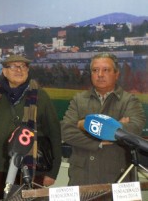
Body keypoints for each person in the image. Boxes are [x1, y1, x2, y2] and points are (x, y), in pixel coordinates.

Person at [0, 55, 62, 200]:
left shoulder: (40, 97)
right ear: (4, 71)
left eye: (23, 66)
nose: (19, 70)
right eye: (14, 66)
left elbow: (55, 135)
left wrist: (53, 172)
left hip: (30, 171)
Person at [61, 53, 145, 186]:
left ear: (116, 74)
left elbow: (134, 130)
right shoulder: (78, 100)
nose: (100, 74)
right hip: (82, 178)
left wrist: (83, 125)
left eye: (106, 70)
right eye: (95, 70)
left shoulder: (130, 101)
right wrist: (103, 137)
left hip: (119, 178)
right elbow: (66, 132)